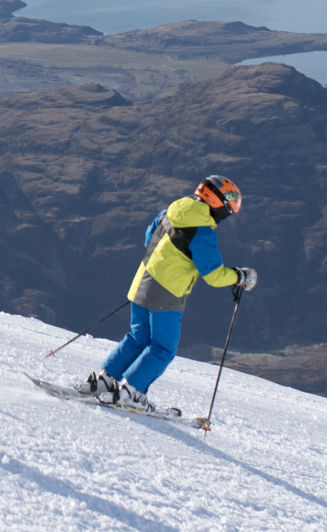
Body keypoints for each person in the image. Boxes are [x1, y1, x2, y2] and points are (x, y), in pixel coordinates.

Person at [85, 175, 257, 409]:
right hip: (167, 294)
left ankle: (105, 381)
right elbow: (214, 276)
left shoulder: (170, 211)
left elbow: (149, 239)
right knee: (163, 349)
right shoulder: (203, 233)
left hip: (141, 283)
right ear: (218, 205)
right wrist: (240, 276)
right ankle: (131, 393)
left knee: (138, 337)